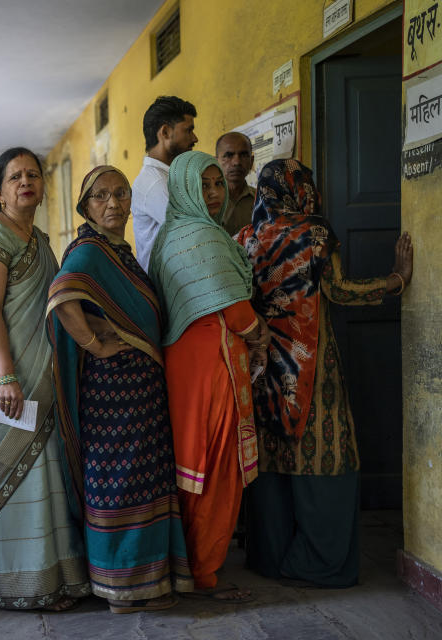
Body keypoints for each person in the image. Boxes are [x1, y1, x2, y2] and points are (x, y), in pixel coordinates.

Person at [239, 159, 413, 588]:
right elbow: (339, 291)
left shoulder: (244, 237)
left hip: (262, 365)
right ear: (298, 189)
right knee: (326, 449)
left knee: (272, 456)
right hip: (310, 363)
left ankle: (271, 555)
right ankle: (318, 561)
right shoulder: (314, 234)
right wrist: (396, 279)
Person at [47, 165, 194, 613]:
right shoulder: (89, 252)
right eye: (101, 196)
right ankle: (121, 589)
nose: (113, 204)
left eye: (121, 194)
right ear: (86, 206)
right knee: (118, 480)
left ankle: (149, 582)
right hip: (112, 393)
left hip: (141, 390)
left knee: (146, 478)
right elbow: (62, 294)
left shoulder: (118, 250)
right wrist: (93, 343)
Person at [0, 147, 89, 610]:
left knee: (48, 471)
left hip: (46, 369)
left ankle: (59, 576)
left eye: (33, 175)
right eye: (15, 177)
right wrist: (7, 378)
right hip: (11, 374)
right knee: (20, 473)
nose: (26, 182)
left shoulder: (40, 238)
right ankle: (23, 583)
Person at [148, 151, 270, 602]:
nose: (214, 193)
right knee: (218, 464)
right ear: (182, 189)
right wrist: (260, 336)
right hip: (211, 360)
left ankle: (190, 563)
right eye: (204, 185)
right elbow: (236, 310)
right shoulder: (203, 236)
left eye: (217, 183)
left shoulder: (171, 236)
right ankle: (204, 572)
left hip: (187, 362)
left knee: (193, 462)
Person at [131, 96, 198, 271]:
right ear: (166, 132)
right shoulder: (155, 183)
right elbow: (195, 233)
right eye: (188, 130)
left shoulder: (168, 176)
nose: (195, 138)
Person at [215, 132, 256, 236]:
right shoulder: (204, 201)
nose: (236, 162)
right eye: (228, 155)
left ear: (251, 161)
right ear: (215, 162)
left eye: (243, 155)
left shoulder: (262, 200)